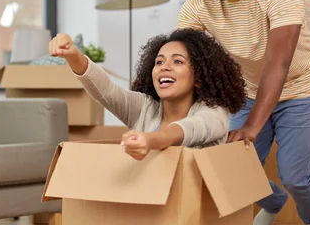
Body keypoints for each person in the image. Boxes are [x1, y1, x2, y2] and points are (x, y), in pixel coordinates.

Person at [177, 0, 310, 225]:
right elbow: (183, 58)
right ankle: (273, 202)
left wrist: (253, 126)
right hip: (248, 90)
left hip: (300, 87)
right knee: (231, 166)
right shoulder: (199, 3)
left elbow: (278, 63)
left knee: (293, 176)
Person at [49, 28, 246, 159]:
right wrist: (73, 55)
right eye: (159, 62)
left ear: (199, 74)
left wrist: (151, 140)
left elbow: (191, 129)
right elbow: (107, 91)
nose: (164, 67)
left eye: (177, 61)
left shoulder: (214, 113)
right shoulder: (144, 108)